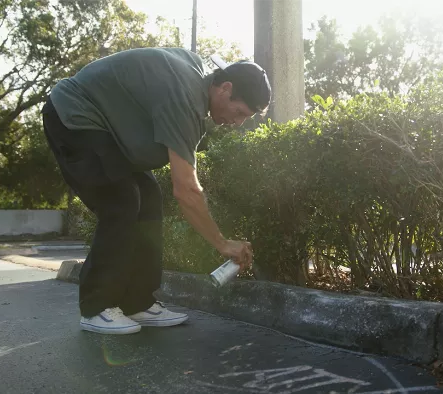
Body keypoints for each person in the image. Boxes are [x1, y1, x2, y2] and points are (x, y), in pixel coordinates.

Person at [41, 47, 272, 335]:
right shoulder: (186, 97)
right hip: (74, 113)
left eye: (244, 118)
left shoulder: (200, 81)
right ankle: (95, 307)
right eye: (238, 112)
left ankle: (138, 302)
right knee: (122, 200)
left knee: (149, 198)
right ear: (226, 88)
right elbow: (186, 189)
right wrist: (222, 243)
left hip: (111, 132)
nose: (236, 122)